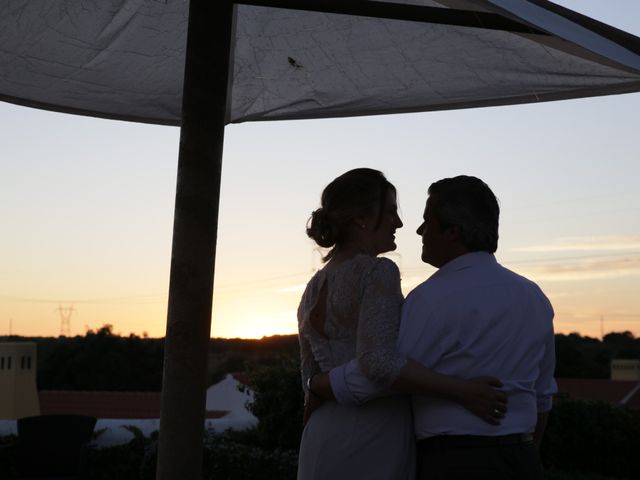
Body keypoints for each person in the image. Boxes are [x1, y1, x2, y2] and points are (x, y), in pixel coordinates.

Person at [317, 175, 557, 480]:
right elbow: (543, 395)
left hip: (453, 462)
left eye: (427, 222)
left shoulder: (430, 299)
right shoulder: (533, 296)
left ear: (453, 232)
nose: (418, 230)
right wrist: (524, 451)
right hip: (522, 459)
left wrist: (320, 384)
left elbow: (383, 372)